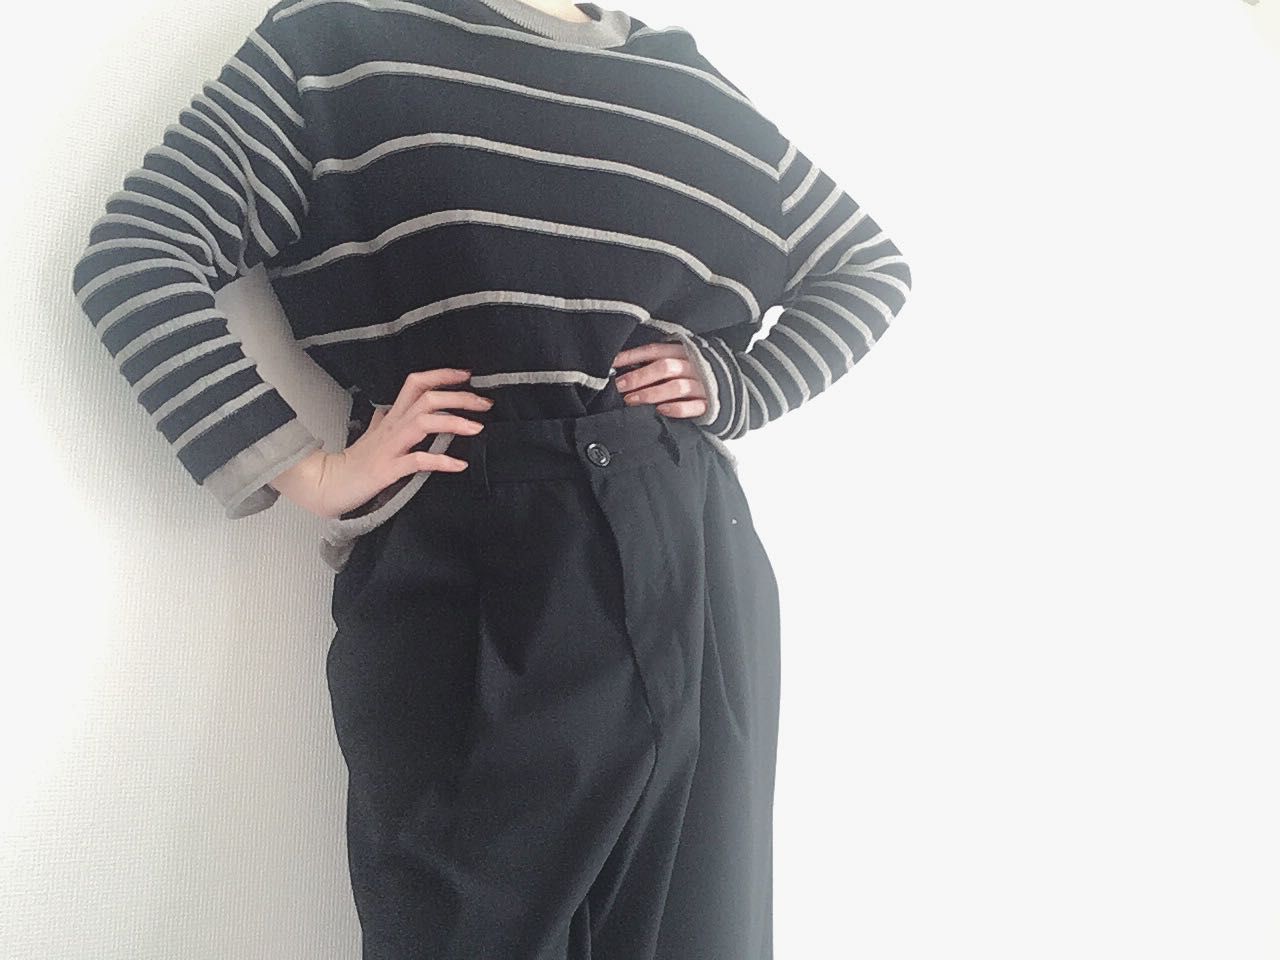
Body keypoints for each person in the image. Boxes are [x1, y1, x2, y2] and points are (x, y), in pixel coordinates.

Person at [69, 0, 913, 956]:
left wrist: (740, 385)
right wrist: (306, 469)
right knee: (466, 928)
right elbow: (137, 252)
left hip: (690, 543)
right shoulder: (339, 44)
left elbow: (867, 265)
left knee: (700, 927)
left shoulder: (689, 85)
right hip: (472, 540)